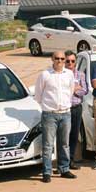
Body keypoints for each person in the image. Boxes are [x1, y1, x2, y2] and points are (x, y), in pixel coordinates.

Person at [34, 51, 78, 183]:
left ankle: (64, 168)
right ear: (52, 59)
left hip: (65, 113)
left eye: (62, 59)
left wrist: (65, 105)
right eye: (57, 58)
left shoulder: (69, 74)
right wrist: (48, 106)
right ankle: (47, 172)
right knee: (48, 145)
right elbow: (38, 95)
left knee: (64, 143)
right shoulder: (45, 75)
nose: (60, 61)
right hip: (50, 114)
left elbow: (70, 91)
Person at [65, 51, 86, 173]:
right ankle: (62, 162)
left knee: (74, 135)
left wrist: (72, 89)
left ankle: (70, 160)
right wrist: (74, 88)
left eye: (72, 61)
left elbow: (85, 90)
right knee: (63, 137)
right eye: (67, 61)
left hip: (76, 108)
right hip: (64, 109)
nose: (70, 63)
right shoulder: (60, 75)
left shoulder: (80, 75)